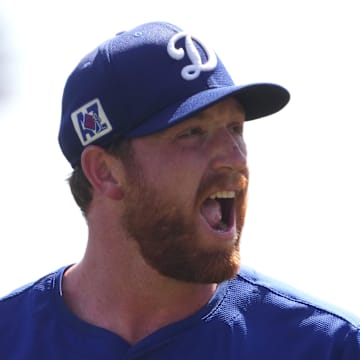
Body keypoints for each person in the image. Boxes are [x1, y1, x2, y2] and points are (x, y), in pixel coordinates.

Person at [0, 21, 359, 359]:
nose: (234, 158)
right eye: (192, 133)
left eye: (235, 128)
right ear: (105, 172)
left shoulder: (328, 347)